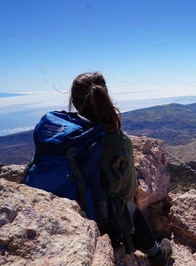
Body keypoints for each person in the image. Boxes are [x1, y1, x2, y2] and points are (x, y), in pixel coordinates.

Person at [68, 72, 172, 266]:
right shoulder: (118, 140)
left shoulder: (59, 136)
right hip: (98, 222)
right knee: (128, 208)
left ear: (74, 102)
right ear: (105, 97)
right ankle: (156, 255)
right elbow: (127, 192)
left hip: (61, 212)